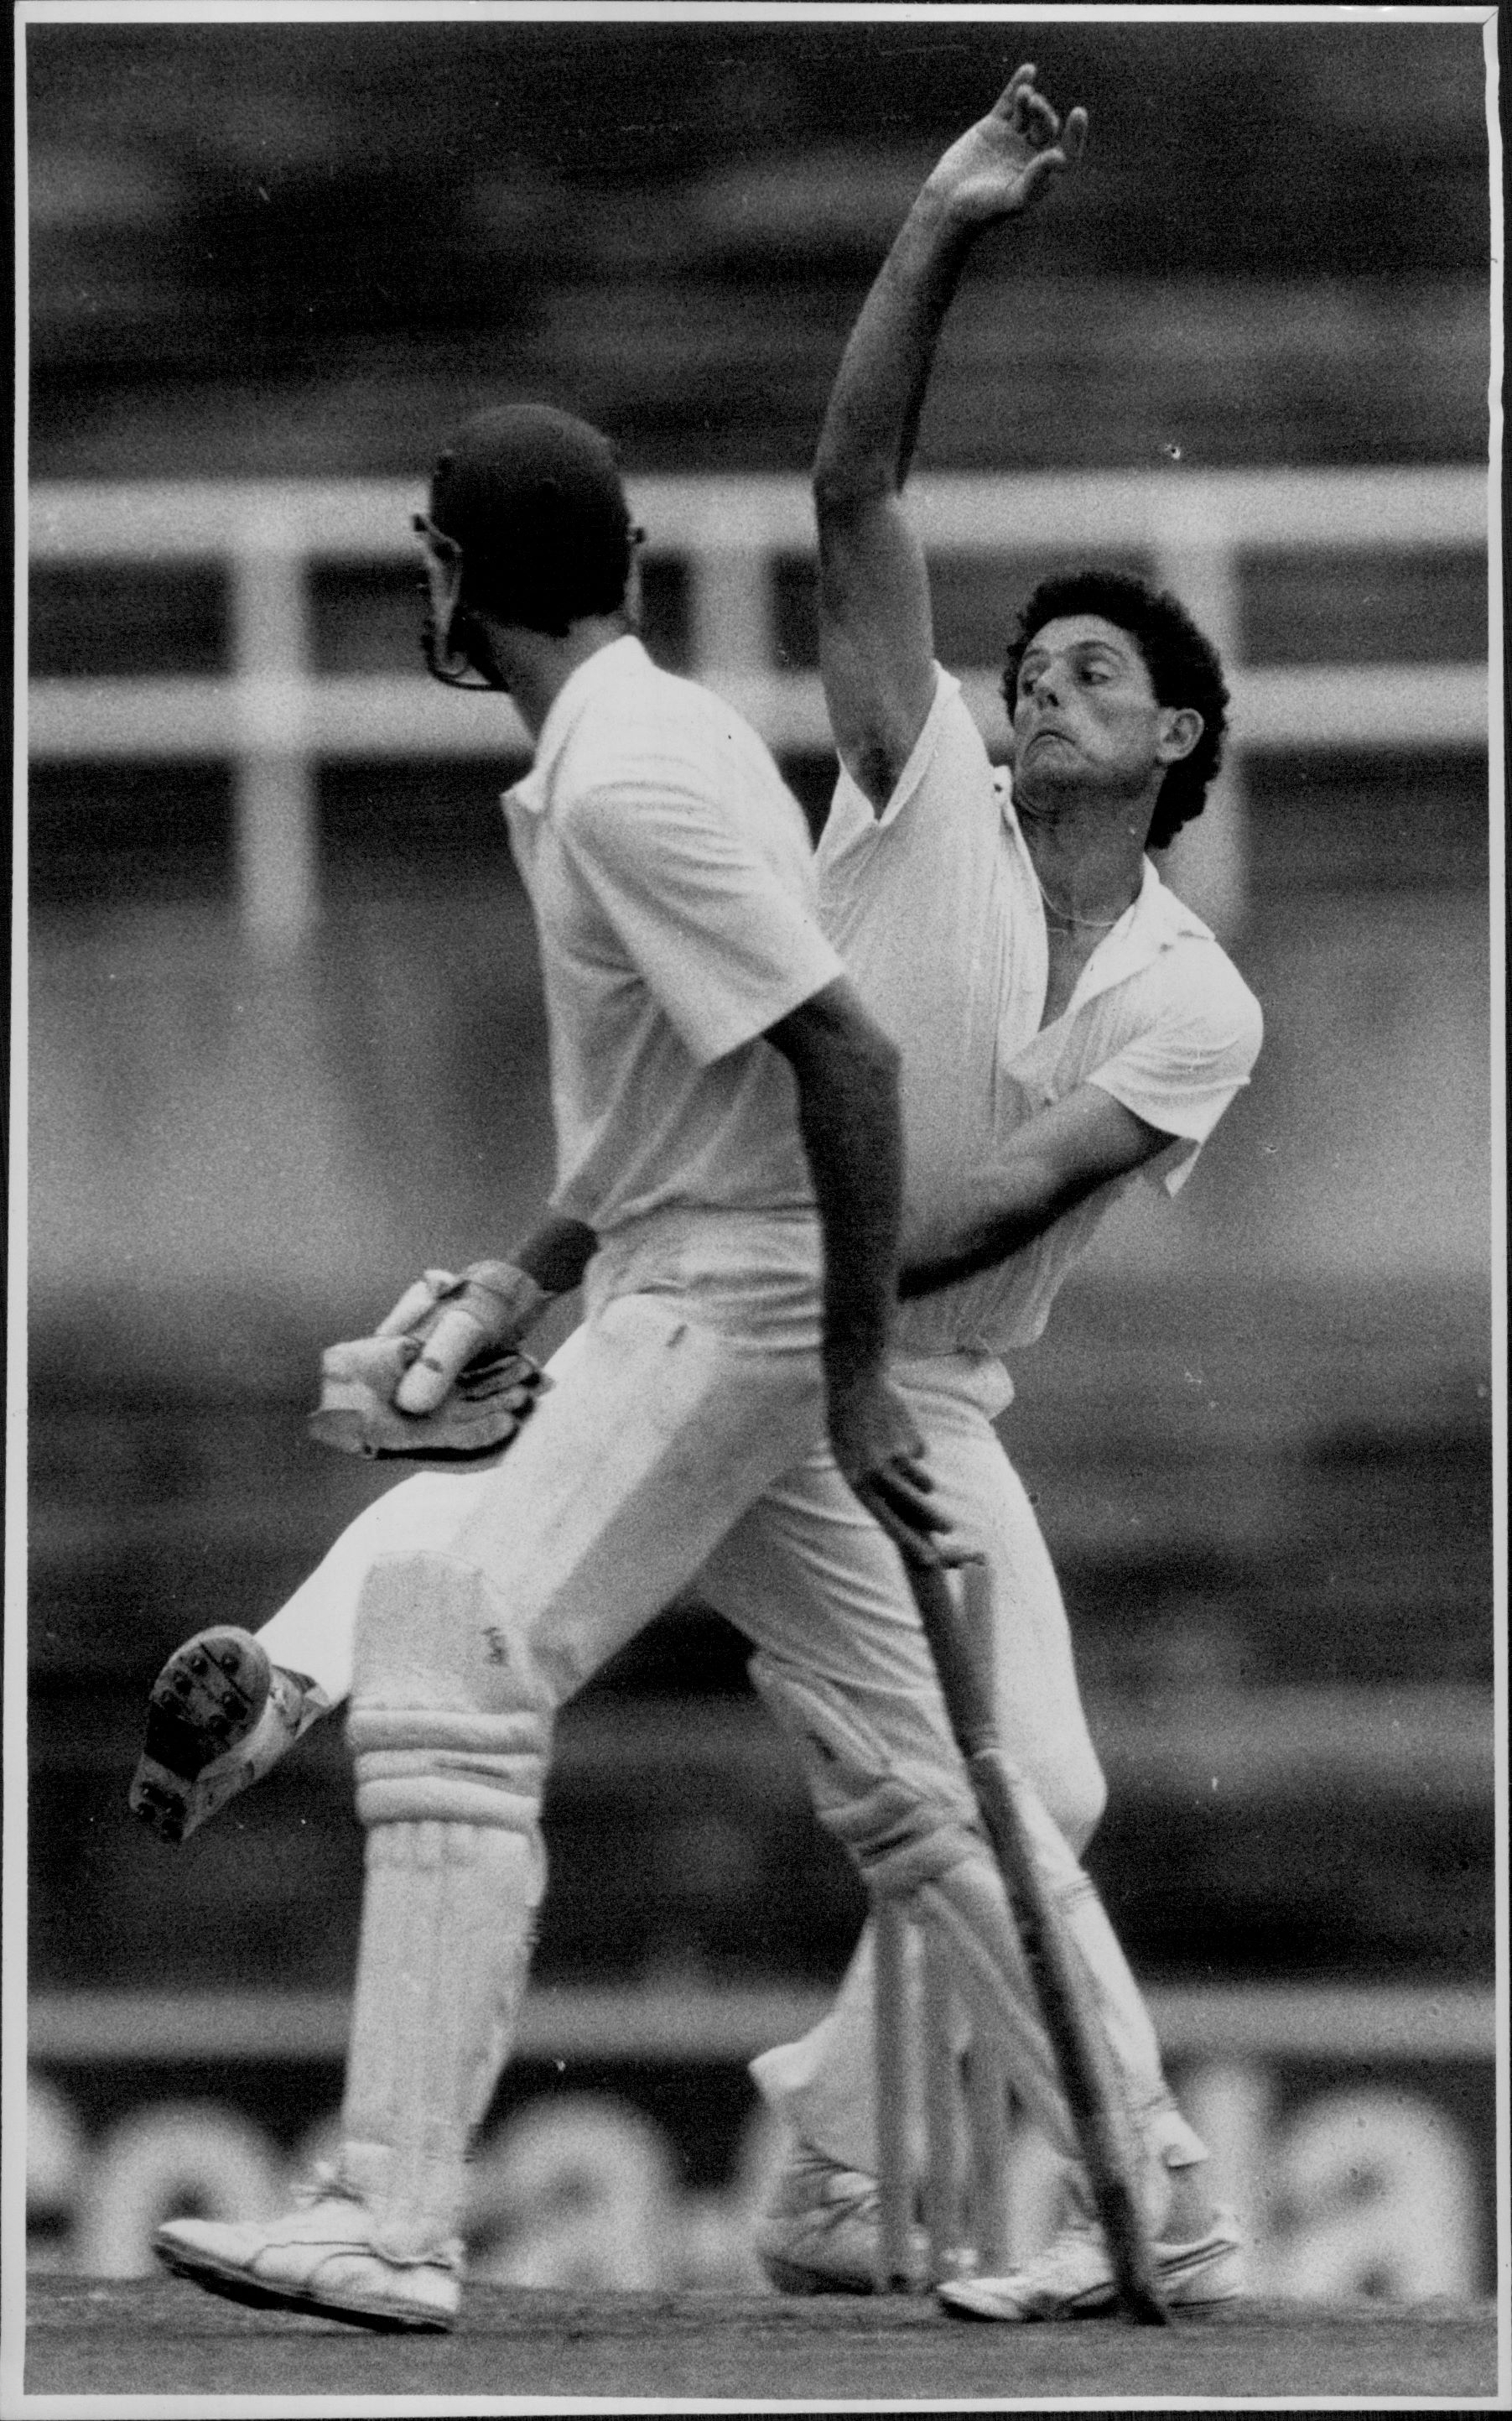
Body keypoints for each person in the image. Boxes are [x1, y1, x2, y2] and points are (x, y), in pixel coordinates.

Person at [147, 384, 1203, 2335]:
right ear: (617, 569)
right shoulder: (656, 740)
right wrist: (516, 1291)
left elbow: (842, 1063)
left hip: (742, 1304)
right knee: (930, 1796)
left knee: (464, 1631)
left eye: (428, 567)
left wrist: (853, 1365)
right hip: (712, 1281)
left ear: (462, 580)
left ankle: (385, 2215)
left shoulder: (628, 777)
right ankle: (1154, 2186)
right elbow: (687, 1100)